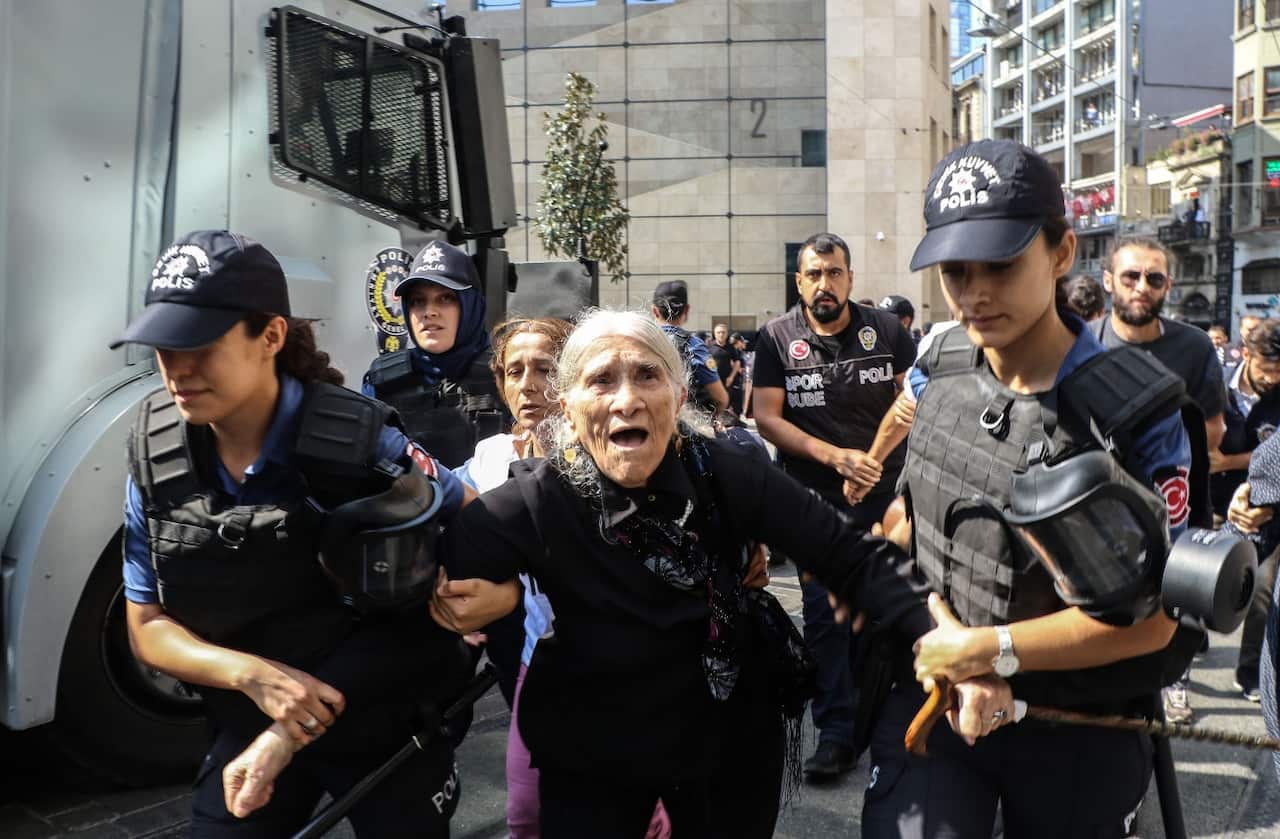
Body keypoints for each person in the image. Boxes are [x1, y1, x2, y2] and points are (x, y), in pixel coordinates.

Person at [436, 310, 939, 838]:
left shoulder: (726, 474)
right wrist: (503, 598)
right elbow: (433, 583)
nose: (627, 400)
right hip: (594, 757)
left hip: (723, 750)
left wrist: (946, 640)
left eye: (647, 376)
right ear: (568, 407)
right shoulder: (536, 499)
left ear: (678, 397)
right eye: (601, 380)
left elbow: (849, 555)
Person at [872, 140, 1198, 839]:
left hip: (1080, 725)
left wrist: (991, 649)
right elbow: (903, 524)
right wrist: (951, 646)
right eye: (955, 271)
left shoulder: (1138, 411)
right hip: (940, 694)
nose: (975, 292)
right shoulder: (938, 367)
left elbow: (1157, 619)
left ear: (1061, 253)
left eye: (1000, 264)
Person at [111, 230, 473, 837]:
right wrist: (251, 675)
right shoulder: (158, 458)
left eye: (200, 344)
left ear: (271, 336)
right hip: (251, 715)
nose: (178, 370)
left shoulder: (359, 444)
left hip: (380, 711)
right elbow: (146, 627)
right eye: (164, 348)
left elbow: (474, 519)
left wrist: (491, 592)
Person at [751, 232, 917, 780]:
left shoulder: (886, 330)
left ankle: (883, 723)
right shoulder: (776, 338)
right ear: (799, 282)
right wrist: (834, 458)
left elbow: (914, 401)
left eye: (835, 273)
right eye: (814, 275)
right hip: (813, 501)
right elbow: (767, 417)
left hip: (886, 496)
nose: (825, 284)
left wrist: (869, 463)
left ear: (850, 278)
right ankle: (837, 735)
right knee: (824, 616)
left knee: (883, 609)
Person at [1095, 234, 1226, 723]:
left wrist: (1167, 449)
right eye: (1130, 276)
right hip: (1100, 507)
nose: (1141, 287)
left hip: (1177, 503)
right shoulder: (1082, 344)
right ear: (1108, 281)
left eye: (1154, 278)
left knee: (1176, 599)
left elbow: (1213, 428)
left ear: (1168, 285)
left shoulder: (1193, 347)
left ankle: (1176, 683)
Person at [362, 240, 506, 469]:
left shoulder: (508, 373)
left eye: (446, 298)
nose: (429, 312)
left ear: (471, 305)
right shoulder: (381, 380)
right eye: (418, 301)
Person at [1213, 319, 1280, 701]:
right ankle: (1182, 665)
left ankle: (1250, 672)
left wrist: (1230, 463)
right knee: (1201, 585)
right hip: (1212, 504)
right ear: (1246, 355)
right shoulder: (1216, 384)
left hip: (1264, 510)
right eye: (1266, 369)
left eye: (1279, 371)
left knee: (1263, 592)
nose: (1272, 379)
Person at [650, 280, 730, 415]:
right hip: (684, 422)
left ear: (654, 311)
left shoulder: (640, 341)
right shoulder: (694, 345)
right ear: (686, 310)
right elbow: (721, 398)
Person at [709, 322, 745, 417]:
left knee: (726, 401)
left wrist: (731, 377)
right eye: (718, 332)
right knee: (714, 401)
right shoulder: (709, 347)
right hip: (714, 379)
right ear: (715, 334)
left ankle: (724, 420)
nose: (721, 334)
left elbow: (737, 362)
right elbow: (707, 362)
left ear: (727, 334)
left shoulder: (731, 348)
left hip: (727, 380)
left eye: (723, 332)